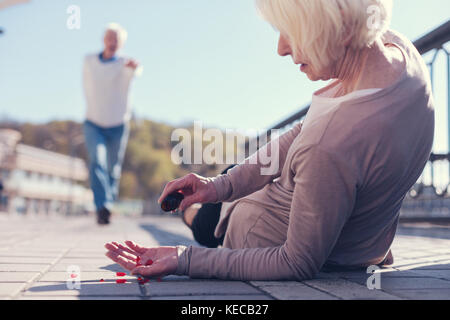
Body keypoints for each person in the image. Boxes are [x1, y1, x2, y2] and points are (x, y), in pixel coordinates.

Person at [105, 0, 434, 280]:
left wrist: (183, 258)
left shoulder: (331, 144)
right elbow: (299, 134)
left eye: (293, 31)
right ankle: (208, 195)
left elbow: (297, 262)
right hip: (312, 212)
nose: (281, 48)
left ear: (345, 29)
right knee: (228, 177)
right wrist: (219, 186)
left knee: (204, 220)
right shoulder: (399, 53)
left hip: (257, 232)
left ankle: (186, 213)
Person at [83, 23, 142, 225]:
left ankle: (107, 202)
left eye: (116, 38)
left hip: (118, 123)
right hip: (93, 122)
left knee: (112, 168)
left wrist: (135, 68)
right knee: (97, 162)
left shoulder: (126, 63)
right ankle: (102, 206)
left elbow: (136, 71)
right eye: (109, 37)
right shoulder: (89, 60)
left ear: (121, 43)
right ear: (104, 39)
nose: (112, 41)